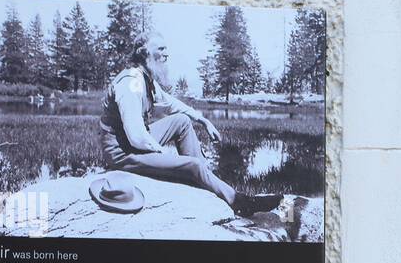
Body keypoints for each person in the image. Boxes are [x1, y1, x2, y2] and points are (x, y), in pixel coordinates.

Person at [99, 31, 281, 217]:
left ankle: (205, 180)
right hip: (122, 152)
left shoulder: (146, 79)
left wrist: (203, 120)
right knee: (192, 165)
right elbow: (136, 137)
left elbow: (172, 104)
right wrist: (162, 155)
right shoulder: (130, 83)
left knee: (182, 121)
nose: (166, 54)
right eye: (161, 49)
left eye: (166, 49)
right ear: (144, 52)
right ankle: (240, 202)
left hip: (132, 142)